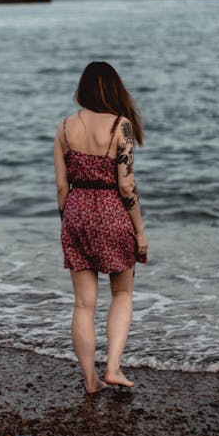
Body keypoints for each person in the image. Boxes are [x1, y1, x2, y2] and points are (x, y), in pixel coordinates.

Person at [54, 61, 149, 393]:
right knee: (121, 293)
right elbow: (126, 186)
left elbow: (61, 187)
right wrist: (139, 231)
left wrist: (70, 223)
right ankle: (111, 368)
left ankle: (89, 380)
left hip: (76, 212)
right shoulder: (120, 127)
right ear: (113, 88)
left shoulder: (65, 127)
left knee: (83, 303)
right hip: (111, 212)